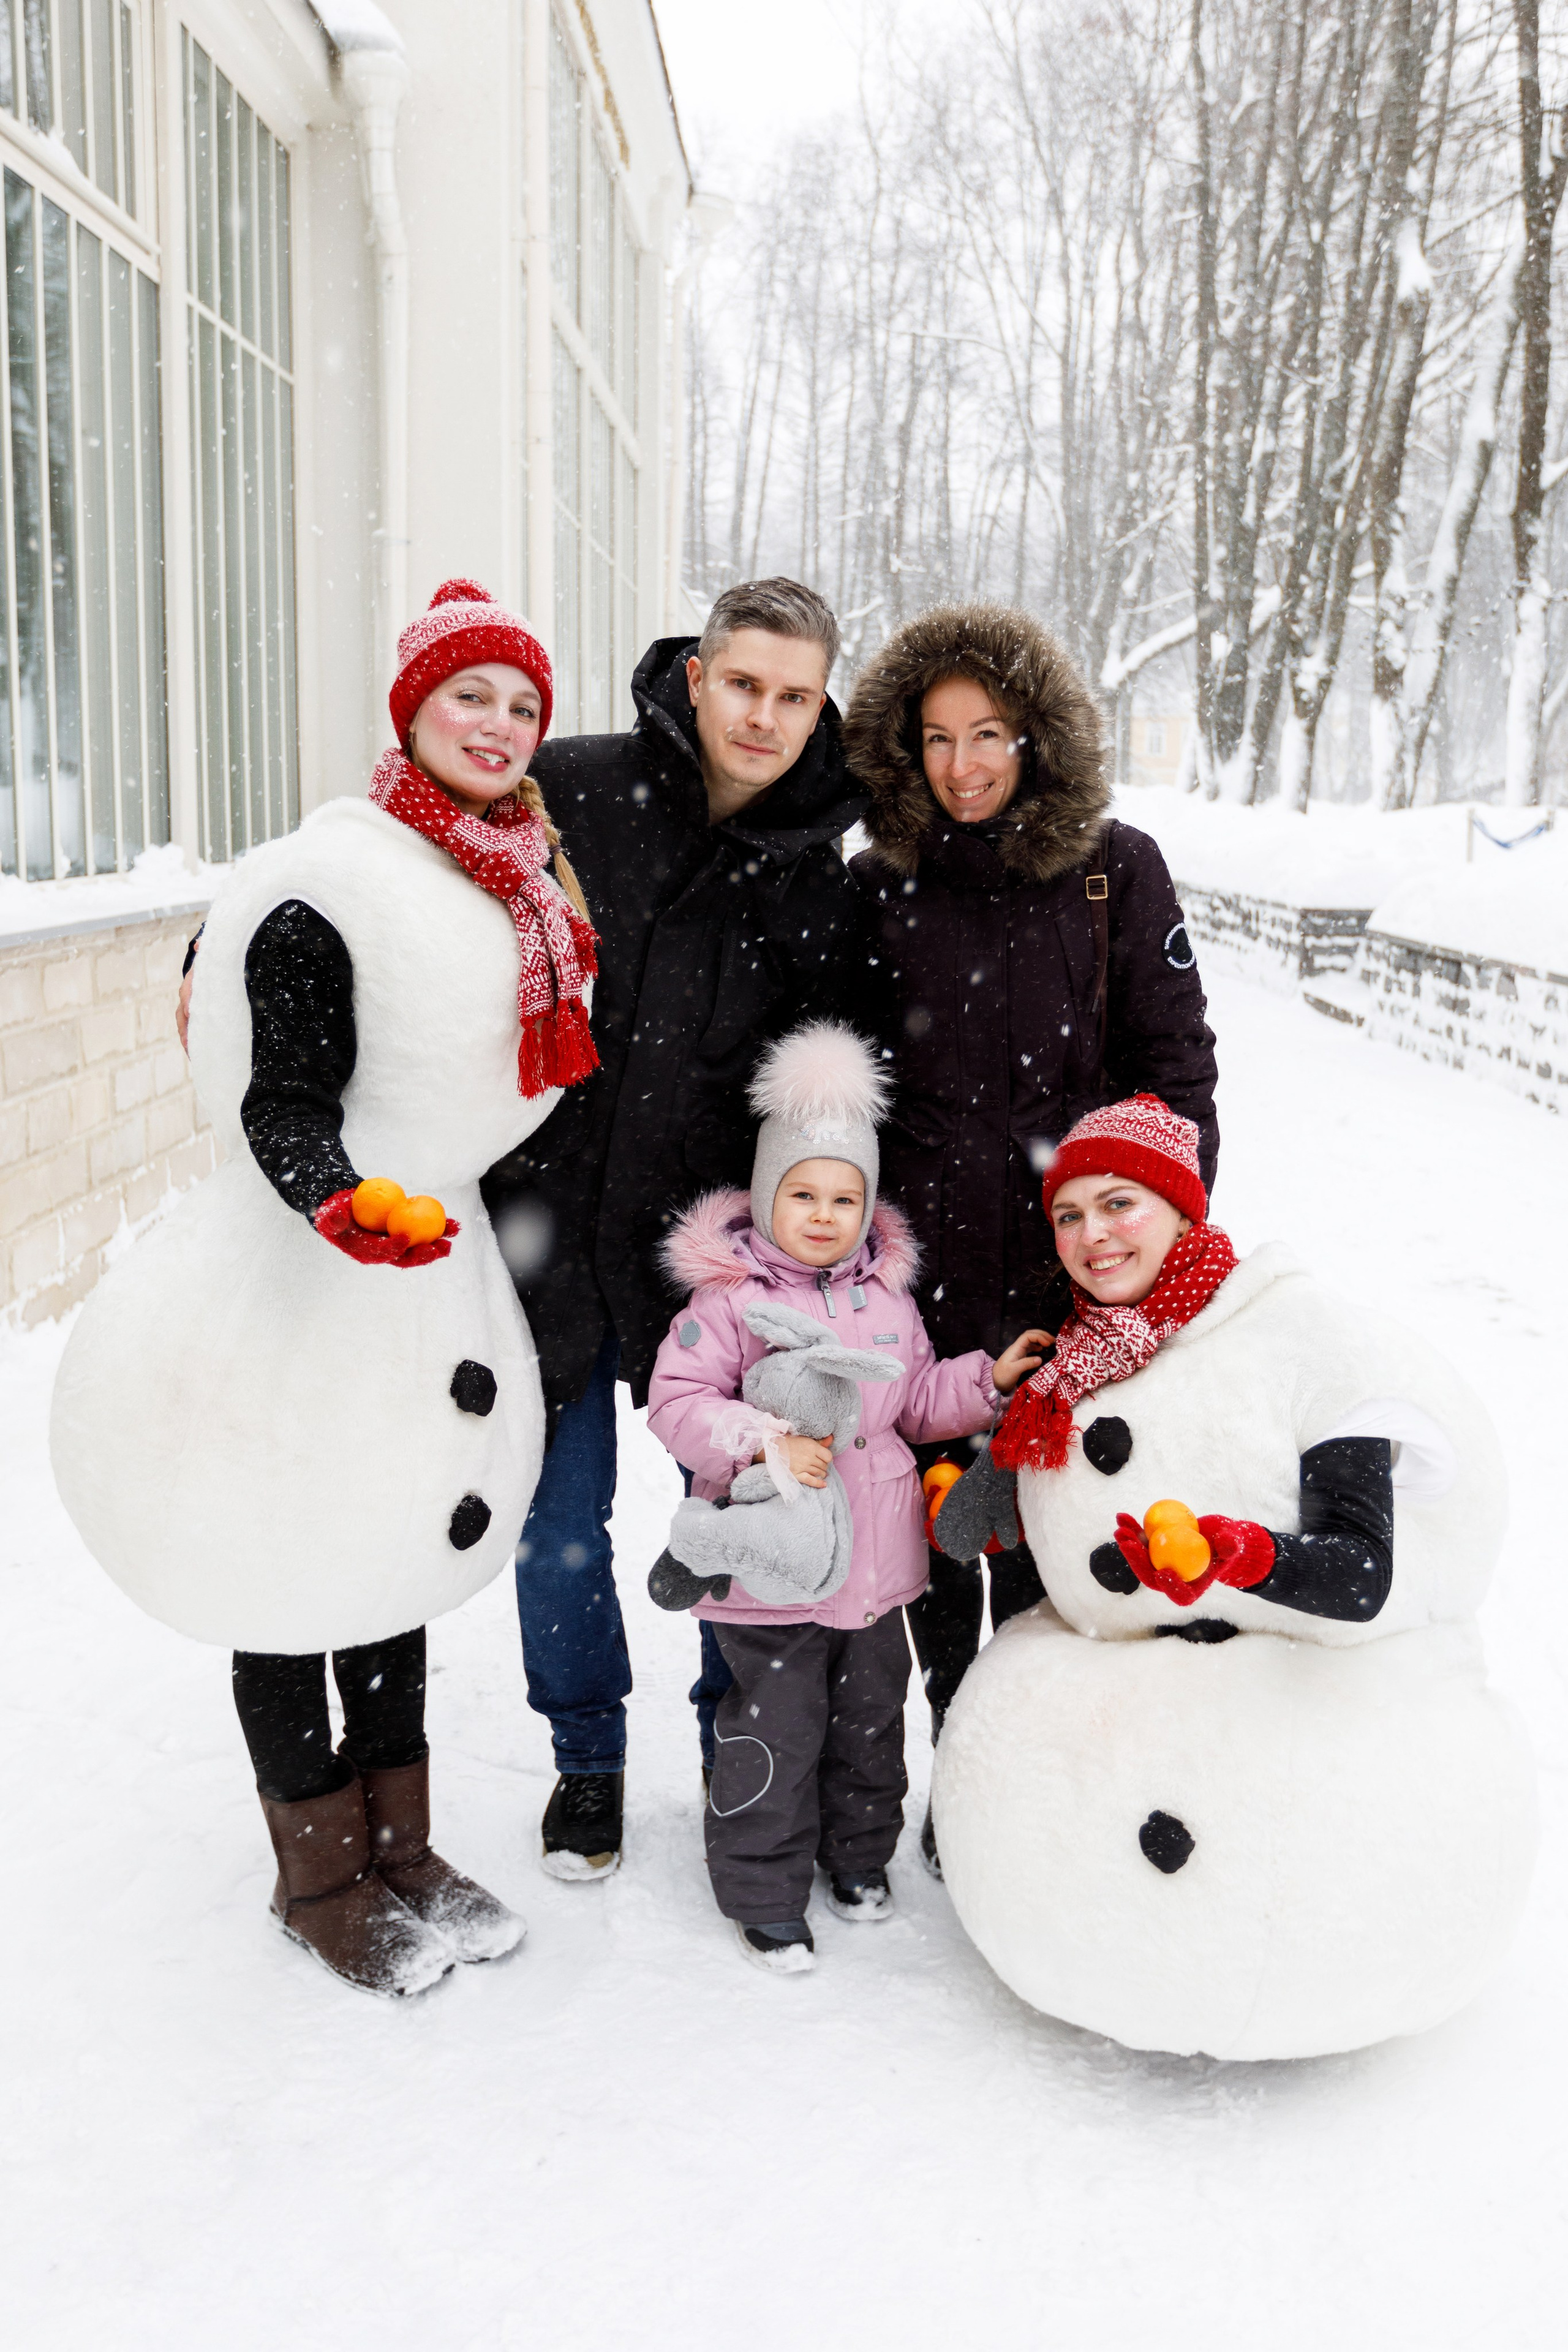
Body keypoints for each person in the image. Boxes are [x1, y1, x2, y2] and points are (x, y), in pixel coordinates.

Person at [70, 580, 597, 1995]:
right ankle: (317, 1874)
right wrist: (334, 1199)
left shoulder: (508, 874)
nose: (498, 725)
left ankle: (401, 1847)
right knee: (281, 1556)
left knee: (384, 1556)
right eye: (469, 696)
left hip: (427, 1283)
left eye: (522, 705)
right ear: (411, 709)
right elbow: (281, 1094)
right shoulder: (332, 882)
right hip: (299, 1294)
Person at [488, 579, 869, 1880]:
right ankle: (585, 1762)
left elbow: (831, 1071)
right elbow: (396, 856)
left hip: (708, 1264)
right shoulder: (571, 790)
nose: (763, 716)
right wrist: (232, 936)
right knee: (557, 1524)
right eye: (743, 683)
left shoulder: (822, 872)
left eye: (794, 694)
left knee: (739, 1509)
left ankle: (735, 1746)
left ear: (822, 704)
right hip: (540, 1233)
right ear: (698, 678)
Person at [842, 603, 1219, 1869]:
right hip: (925, 1283)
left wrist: (1140, 1251)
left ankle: (1068, 1797)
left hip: (1079, 1278)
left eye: (989, 732)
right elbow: (839, 1084)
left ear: (1035, 735)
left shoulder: (1116, 871)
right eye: (937, 737)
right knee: (945, 1550)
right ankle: (962, 1784)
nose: (963, 765)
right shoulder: (874, 885)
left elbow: (1173, 1072)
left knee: (1069, 1560)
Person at [643, 1023, 1049, 1973]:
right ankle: (762, 1889)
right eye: (804, 1194)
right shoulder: (730, 1305)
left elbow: (908, 1406)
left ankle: (859, 1857)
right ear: (767, 1197)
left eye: (844, 1197)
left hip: (876, 1573)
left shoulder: (890, 1305)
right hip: (778, 1573)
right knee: (776, 1734)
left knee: (872, 1725)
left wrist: (987, 1379)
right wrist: (766, 1439)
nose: (824, 1215)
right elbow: (677, 1403)